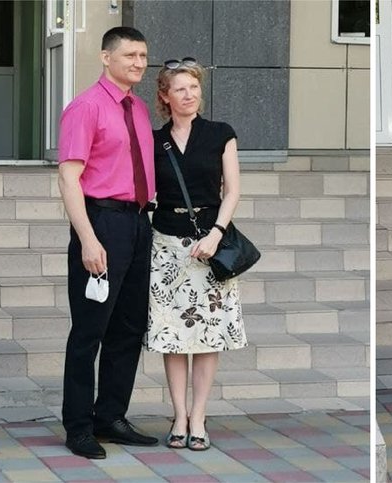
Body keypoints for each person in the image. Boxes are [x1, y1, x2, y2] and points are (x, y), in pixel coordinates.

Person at [58, 26, 159, 459]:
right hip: (102, 222)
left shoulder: (137, 107)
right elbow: (68, 176)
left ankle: (110, 417)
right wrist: (87, 238)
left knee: (129, 328)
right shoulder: (85, 107)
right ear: (106, 57)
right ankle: (79, 427)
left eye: (143, 56)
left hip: (138, 224)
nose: (139, 63)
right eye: (131, 55)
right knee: (89, 331)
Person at [144, 57, 247, 451]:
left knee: (207, 336)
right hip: (166, 244)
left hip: (211, 243)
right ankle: (179, 414)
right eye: (180, 89)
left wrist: (217, 234)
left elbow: (232, 190)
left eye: (194, 87)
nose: (189, 95)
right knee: (171, 335)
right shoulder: (155, 141)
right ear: (165, 96)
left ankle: (199, 417)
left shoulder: (221, 133)